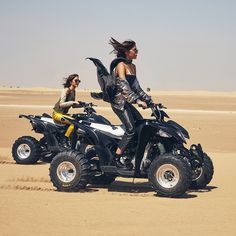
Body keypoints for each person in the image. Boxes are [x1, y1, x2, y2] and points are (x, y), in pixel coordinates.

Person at [109, 37, 153, 168]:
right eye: (135, 50)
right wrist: (138, 101)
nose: (137, 52)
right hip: (119, 103)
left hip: (127, 103)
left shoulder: (133, 66)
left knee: (141, 125)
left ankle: (132, 153)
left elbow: (136, 88)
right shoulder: (120, 65)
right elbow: (124, 87)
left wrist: (149, 100)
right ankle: (115, 158)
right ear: (127, 52)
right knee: (131, 129)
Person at [53, 74, 82, 139]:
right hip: (57, 114)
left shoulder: (73, 91)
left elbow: (73, 106)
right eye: (76, 80)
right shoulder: (66, 90)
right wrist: (73, 102)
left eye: (79, 81)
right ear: (70, 82)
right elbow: (61, 104)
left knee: (79, 119)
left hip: (64, 114)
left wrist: (82, 105)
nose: (77, 82)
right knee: (74, 123)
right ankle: (65, 139)